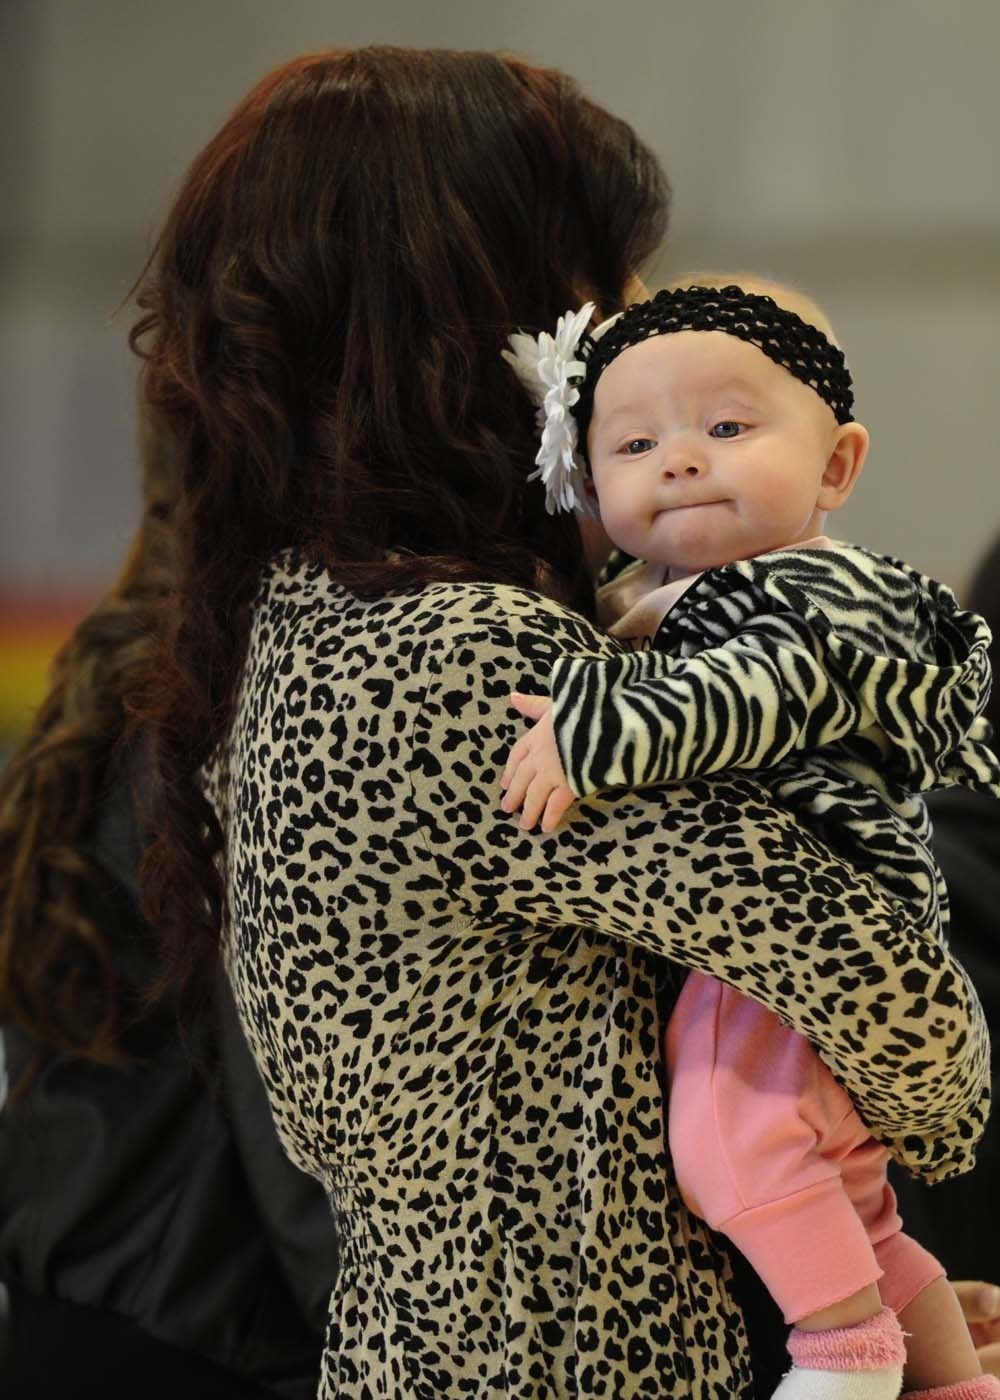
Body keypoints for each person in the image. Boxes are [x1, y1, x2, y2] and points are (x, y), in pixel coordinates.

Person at [127, 48, 991, 1398]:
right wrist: (920, 1153)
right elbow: (878, 985)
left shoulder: (305, 621)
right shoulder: (473, 660)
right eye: (613, 290)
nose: (640, 330)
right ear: (491, 329)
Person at [499, 276, 1000, 1397]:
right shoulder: (709, 588)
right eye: (632, 441)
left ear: (835, 465)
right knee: (855, 1200)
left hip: (806, 926)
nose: (679, 458)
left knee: (733, 1146)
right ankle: (947, 1378)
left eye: (726, 428)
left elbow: (751, 693)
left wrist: (595, 732)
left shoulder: (818, 599)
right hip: (832, 957)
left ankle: (841, 1357)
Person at [0, 416, 337, 1398]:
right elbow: (291, 1132)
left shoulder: (117, 662)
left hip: (85, 1311)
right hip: (193, 1330)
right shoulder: (219, 700)